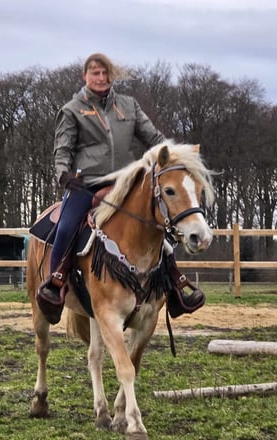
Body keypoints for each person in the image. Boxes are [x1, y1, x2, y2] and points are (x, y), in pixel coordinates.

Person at [36, 52, 204, 324]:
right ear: (85, 77)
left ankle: (175, 285)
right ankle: (55, 284)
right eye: (95, 73)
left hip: (124, 182)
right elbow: (62, 149)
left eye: (105, 73)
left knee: (159, 223)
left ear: (111, 76)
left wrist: (177, 156)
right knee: (66, 227)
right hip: (86, 184)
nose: (101, 79)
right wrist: (64, 175)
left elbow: (155, 139)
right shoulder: (71, 110)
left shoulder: (129, 106)